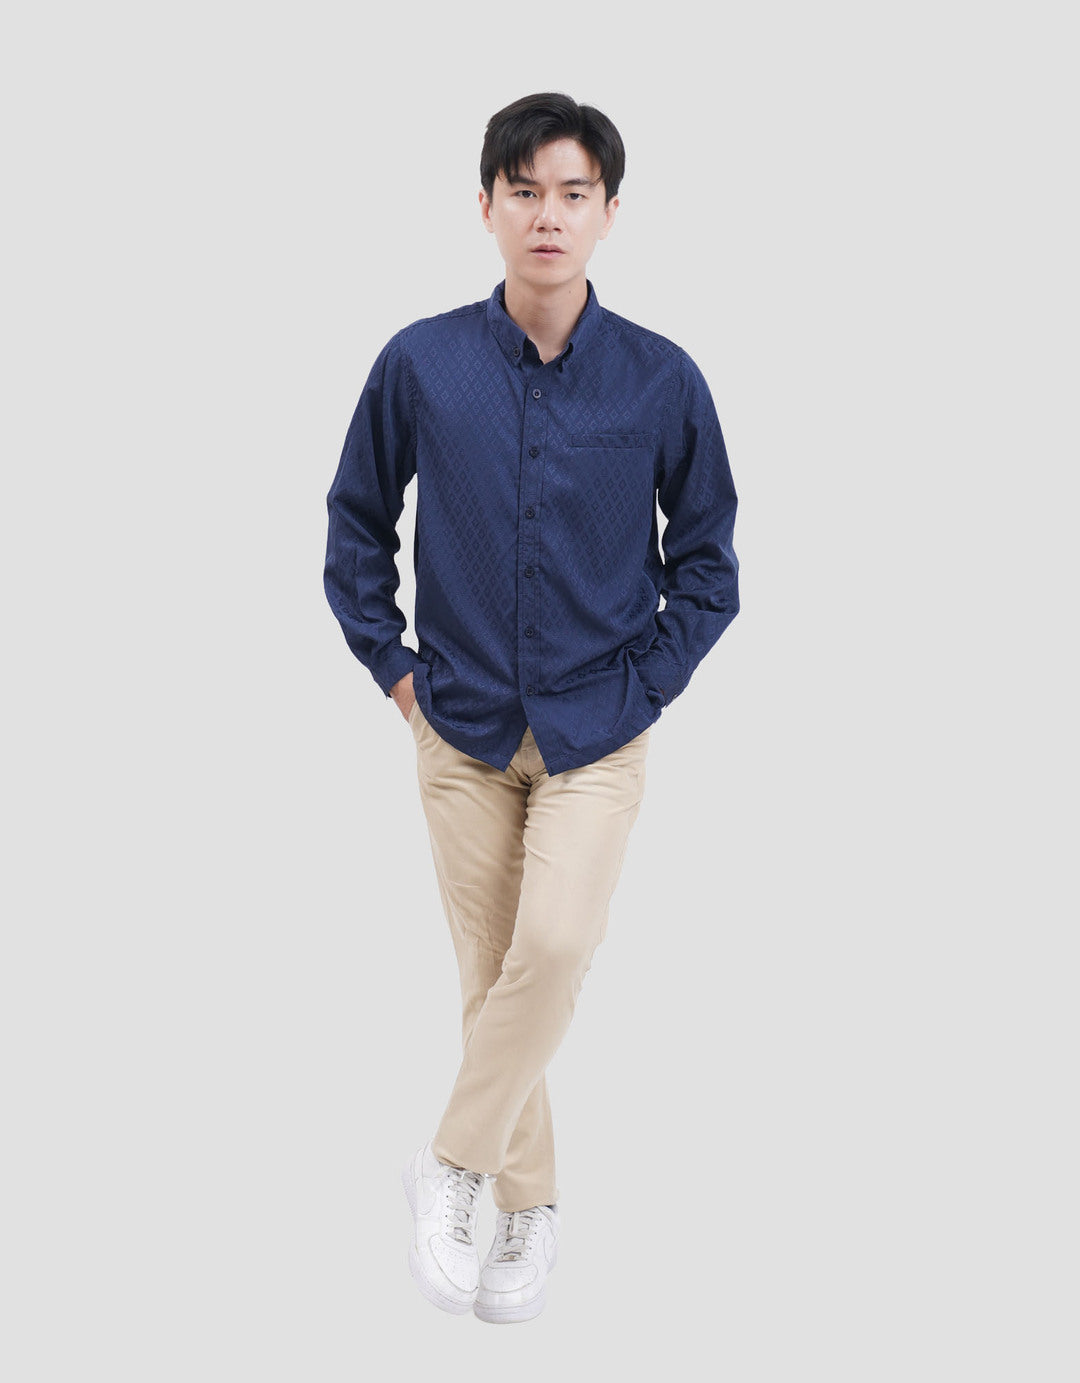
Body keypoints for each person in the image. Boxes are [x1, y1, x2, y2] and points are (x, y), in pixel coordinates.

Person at [323, 91, 740, 1323]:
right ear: (487, 207)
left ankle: (452, 1164)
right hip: (456, 728)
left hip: (596, 733)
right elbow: (355, 526)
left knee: (551, 950)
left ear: (609, 212)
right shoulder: (421, 363)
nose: (547, 215)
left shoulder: (662, 380)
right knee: (491, 973)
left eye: (572, 193)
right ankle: (533, 1207)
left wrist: (645, 687)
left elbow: (708, 566)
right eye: (524, 192)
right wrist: (395, 670)